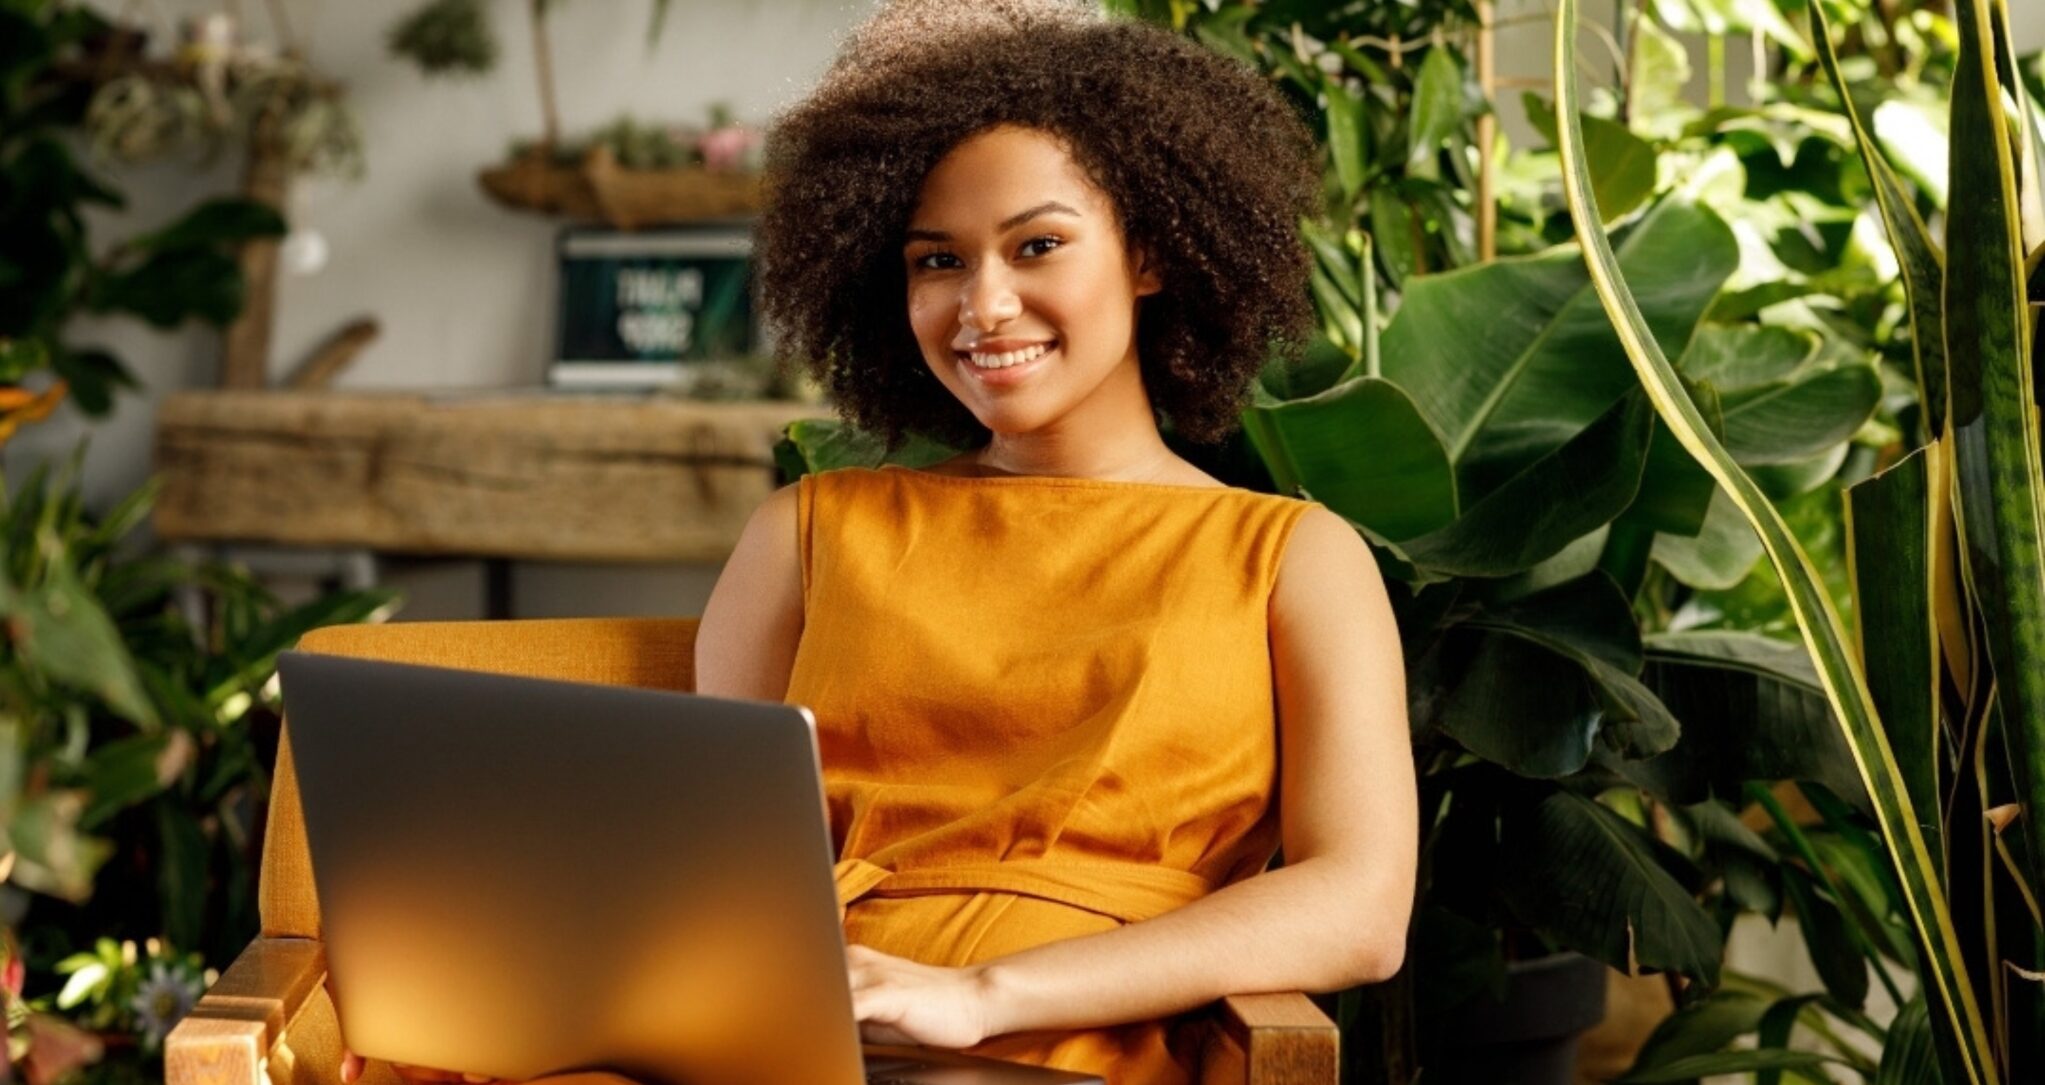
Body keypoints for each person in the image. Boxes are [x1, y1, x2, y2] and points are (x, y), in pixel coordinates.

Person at [343, 2, 1417, 1083]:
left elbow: (1361, 907)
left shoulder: (1289, 556)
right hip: (784, 1038)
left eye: (1035, 244)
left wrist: (981, 998)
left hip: (1057, 1052)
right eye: (934, 260)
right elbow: (708, 871)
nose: (980, 305)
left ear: (1150, 251)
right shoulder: (810, 530)